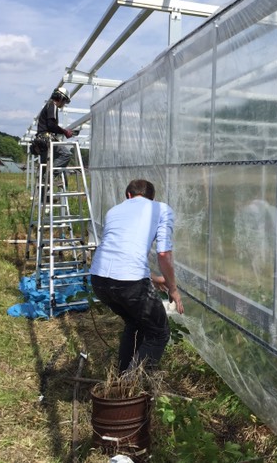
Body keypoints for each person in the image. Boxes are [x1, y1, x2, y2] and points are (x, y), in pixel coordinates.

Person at [90, 179, 184, 373]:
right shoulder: (160, 209)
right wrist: (173, 289)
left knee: (134, 323)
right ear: (152, 198)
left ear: (128, 195)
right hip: (130, 283)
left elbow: (119, 255)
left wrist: (153, 278)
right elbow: (164, 253)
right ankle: (130, 387)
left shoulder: (113, 211)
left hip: (98, 280)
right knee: (158, 333)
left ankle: (122, 377)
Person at [34, 86, 74, 170]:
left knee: (44, 166)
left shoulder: (49, 105)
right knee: (66, 154)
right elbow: (51, 125)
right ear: (61, 98)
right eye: (65, 101)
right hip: (46, 139)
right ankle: (50, 175)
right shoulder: (53, 106)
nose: (64, 104)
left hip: (41, 140)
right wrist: (65, 132)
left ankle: (45, 179)